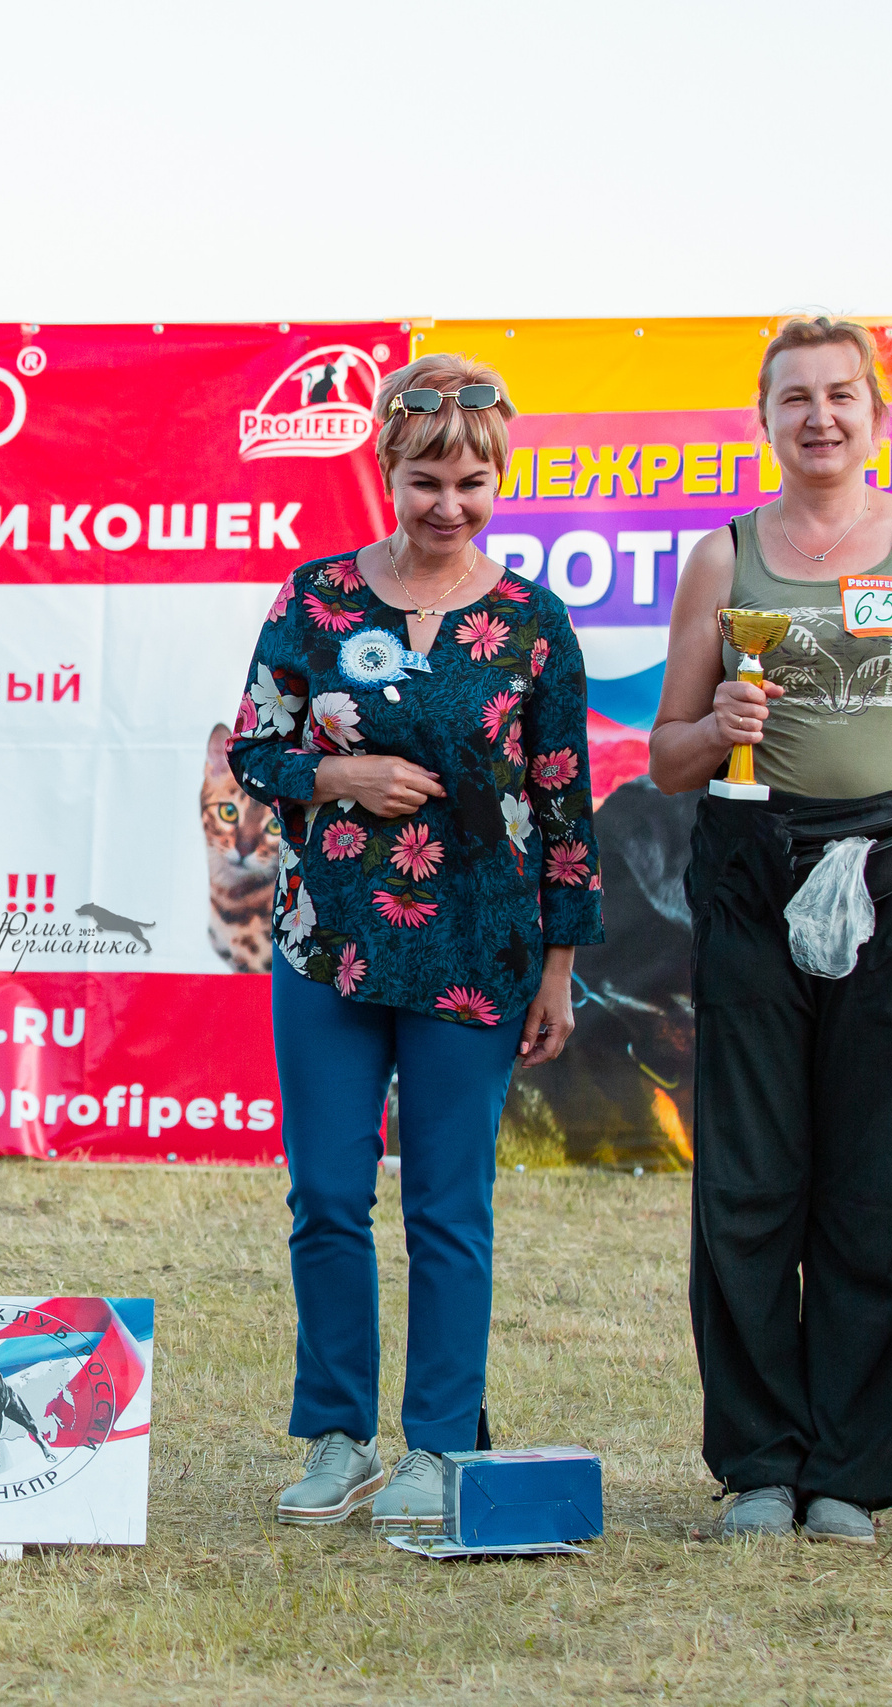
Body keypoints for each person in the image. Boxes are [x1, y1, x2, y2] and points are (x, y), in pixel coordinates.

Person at [649, 316, 892, 1545]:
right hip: (751, 875)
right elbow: (665, 758)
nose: (818, 417)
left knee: (873, 1181)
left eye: (839, 396)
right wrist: (716, 727)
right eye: (794, 399)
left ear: (875, 413)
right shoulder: (721, 558)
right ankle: (760, 1464)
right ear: (764, 419)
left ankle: (847, 1478)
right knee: (751, 1179)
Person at [226, 353, 602, 1533]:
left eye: (472, 481)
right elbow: (253, 750)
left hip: (478, 952)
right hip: (327, 943)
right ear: (384, 468)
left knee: (450, 1206)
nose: (449, 503)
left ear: (500, 478)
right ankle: (336, 1437)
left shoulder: (532, 622)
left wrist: (559, 968)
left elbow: (564, 801)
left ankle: (439, 1446)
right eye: (426, 479)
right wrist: (340, 777)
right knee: (327, 1195)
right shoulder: (316, 598)